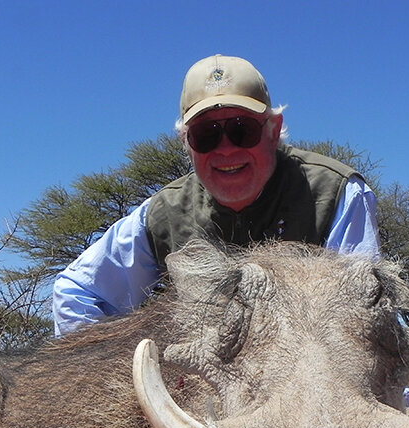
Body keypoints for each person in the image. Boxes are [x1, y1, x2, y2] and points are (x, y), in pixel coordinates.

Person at [53, 54, 379, 335]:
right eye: (205, 135)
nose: (225, 150)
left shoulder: (337, 192)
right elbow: (75, 292)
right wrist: (125, 379)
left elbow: (362, 313)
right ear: (186, 142)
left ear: (273, 130)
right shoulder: (162, 213)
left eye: (242, 129)